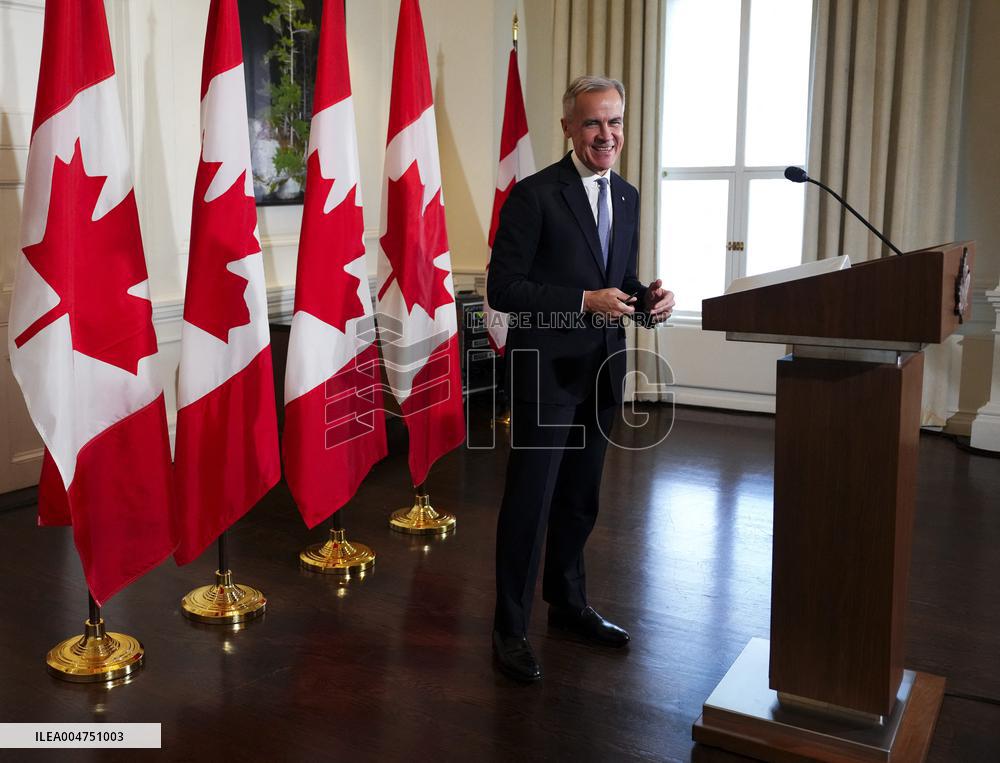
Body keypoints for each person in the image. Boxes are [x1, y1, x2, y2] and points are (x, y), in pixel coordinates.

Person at [487, 75, 675, 682]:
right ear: (569, 127)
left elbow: (618, 277)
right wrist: (582, 301)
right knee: (530, 503)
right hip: (544, 372)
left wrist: (647, 298)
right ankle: (509, 627)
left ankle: (567, 604)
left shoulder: (628, 197)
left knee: (580, 499)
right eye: (593, 122)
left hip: (601, 370)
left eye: (615, 121)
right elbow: (503, 289)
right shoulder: (534, 195)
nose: (607, 134)